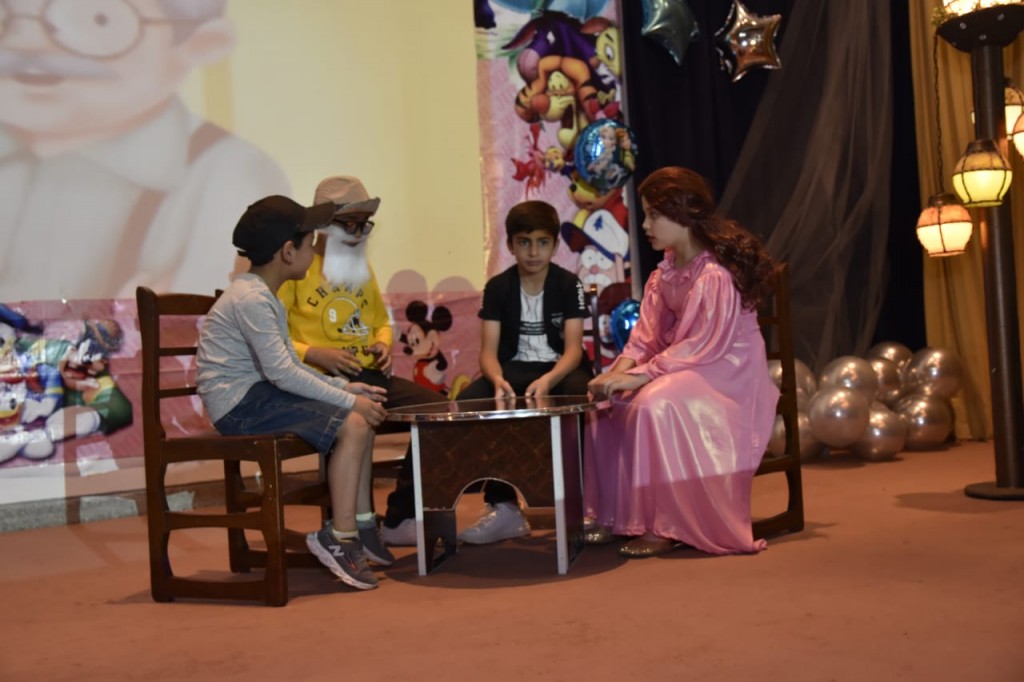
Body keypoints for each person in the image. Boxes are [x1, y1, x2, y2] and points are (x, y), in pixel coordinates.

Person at [0, 0, 289, 302]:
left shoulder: (227, 171)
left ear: (202, 44)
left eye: (99, 19)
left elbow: (213, 312)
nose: (27, 44)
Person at [196, 195, 389, 591]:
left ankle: (356, 527)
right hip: (239, 406)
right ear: (287, 252)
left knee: (361, 414)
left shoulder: (263, 295)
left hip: (256, 395)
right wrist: (349, 400)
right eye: (309, 243)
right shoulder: (251, 299)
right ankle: (340, 537)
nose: (314, 251)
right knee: (354, 422)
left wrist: (344, 386)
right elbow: (282, 373)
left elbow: (287, 365)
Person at [585, 166, 779, 558]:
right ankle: (616, 516)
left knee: (655, 404)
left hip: (727, 375)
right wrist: (617, 373)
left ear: (683, 215)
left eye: (653, 215)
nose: (645, 226)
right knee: (604, 404)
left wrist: (642, 376)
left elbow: (703, 346)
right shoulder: (665, 273)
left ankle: (665, 524)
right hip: (688, 366)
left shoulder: (714, 274)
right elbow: (645, 338)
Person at [278, 174, 446, 547]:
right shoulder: (297, 270)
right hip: (318, 380)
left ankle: (401, 515)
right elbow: (274, 340)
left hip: (367, 373)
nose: (356, 233)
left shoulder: (361, 268)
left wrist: (383, 345)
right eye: (348, 224)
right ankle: (354, 527)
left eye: (363, 224)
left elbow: (380, 323)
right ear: (323, 224)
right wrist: (316, 353)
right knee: (359, 418)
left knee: (439, 413)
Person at [456, 199, 592, 545]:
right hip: (512, 370)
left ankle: (585, 502)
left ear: (555, 246)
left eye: (542, 242)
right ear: (510, 245)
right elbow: (488, 352)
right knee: (470, 400)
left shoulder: (569, 284)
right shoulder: (498, 287)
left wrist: (548, 380)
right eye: (524, 242)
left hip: (560, 370)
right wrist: (497, 380)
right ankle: (503, 507)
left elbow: (574, 350)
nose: (533, 252)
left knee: (581, 397)